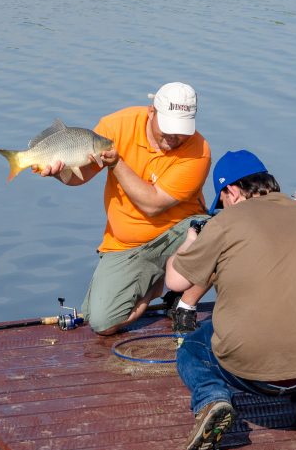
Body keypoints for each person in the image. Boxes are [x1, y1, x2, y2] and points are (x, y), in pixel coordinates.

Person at [163, 150, 296, 450]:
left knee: (192, 349)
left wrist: (193, 239)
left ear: (231, 190)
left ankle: (212, 400)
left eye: (222, 202)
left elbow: (175, 282)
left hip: (251, 372)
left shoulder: (227, 221)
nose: (222, 209)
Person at [38, 82, 211, 335]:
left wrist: (117, 163)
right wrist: (56, 173)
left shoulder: (199, 151)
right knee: (101, 322)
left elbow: (152, 205)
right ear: (151, 112)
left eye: (182, 130)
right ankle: (154, 288)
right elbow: (80, 176)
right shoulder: (116, 126)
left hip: (179, 234)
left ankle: (186, 302)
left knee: (214, 231)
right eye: (168, 129)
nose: (175, 138)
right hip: (125, 245)